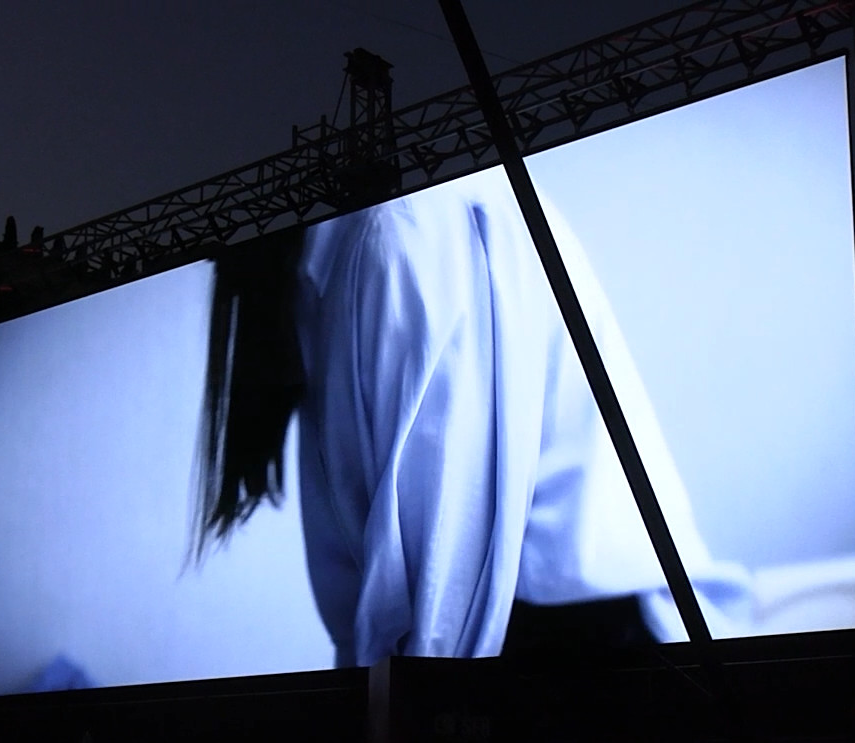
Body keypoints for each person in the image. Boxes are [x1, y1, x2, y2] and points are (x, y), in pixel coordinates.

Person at [194, 166, 750, 668]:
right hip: (530, 638)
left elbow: (446, 605)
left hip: (580, 644)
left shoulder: (399, 228)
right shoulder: (346, 247)